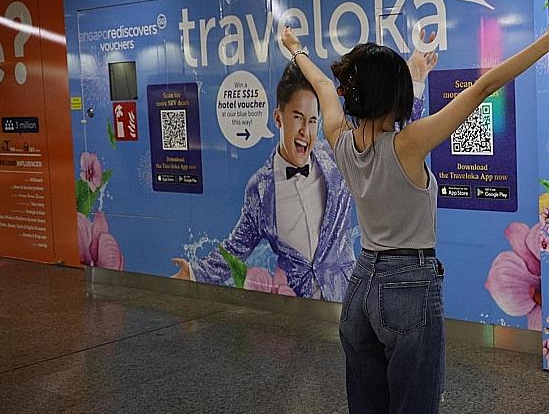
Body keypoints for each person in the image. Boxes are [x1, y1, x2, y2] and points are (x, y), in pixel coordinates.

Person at [280, 6, 549, 414]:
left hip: (361, 288)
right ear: (397, 98)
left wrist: (296, 50)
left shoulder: (340, 137)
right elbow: (486, 86)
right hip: (409, 287)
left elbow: (322, 85)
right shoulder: (409, 144)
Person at [173, 53, 435, 298]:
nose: (305, 131)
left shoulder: (335, 156)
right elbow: (236, 248)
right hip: (296, 306)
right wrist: (194, 273)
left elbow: (393, 146)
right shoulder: (260, 189)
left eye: (312, 120)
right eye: (298, 118)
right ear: (279, 118)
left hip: (346, 298)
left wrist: (414, 81)